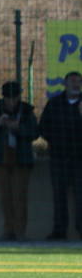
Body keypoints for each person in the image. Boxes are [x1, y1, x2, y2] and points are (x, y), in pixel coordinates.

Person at [0, 80, 38, 241]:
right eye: (8, 98)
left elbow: (35, 133)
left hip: (21, 159)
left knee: (20, 196)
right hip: (1, 159)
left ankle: (21, 232)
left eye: (14, 98)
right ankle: (8, 230)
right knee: (5, 197)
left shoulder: (26, 111)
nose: (11, 101)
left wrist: (18, 128)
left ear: (19, 97)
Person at [39, 70, 82, 241]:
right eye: (72, 81)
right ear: (65, 84)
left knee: (81, 196)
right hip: (59, 157)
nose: (75, 84)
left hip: (80, 158)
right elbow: (43, 128)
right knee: (59, 195)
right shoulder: (54, 104)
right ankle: (59, 230)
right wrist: (56, 142)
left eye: (78, 81)